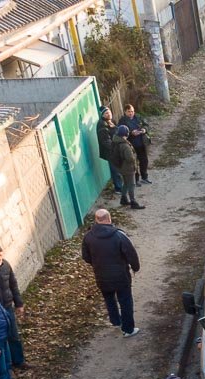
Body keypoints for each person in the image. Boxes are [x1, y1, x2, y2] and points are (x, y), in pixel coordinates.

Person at [81, 209, 141, 337]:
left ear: (96, 220)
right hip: (121, 276)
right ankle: (128, 329)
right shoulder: (119, 235)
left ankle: (116, 321)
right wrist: (135, 267)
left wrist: (97, 265)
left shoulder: (88, 237)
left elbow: (86, 257)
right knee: (125, 301)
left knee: (109, 299)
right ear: (109, 219)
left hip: (101, 276)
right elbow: (131, 254)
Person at [0, 242, 28, 371]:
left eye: (1, 255)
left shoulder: (5, 265)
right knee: (1, 339)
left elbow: (13, 285)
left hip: (8, 307)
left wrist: (19, 304)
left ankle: (19, 361)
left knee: (13, 335)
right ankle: (6, 366)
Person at [110, 124, 144, 210]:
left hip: (121, 167)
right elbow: (129, 158)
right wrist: (134, 159)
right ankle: (133, 202)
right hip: (128, 168)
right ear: (126, 134)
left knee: (125, 183)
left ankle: (124, 198)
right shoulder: (125, 145)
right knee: (131, 184)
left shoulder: (115, 141)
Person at [121, 104, 152, 185]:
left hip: (141, 143)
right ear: (125, 112)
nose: (131, 113)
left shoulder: (138, 117)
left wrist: (144, 129)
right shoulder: (122, 121)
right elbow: (121, 133)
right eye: (129, 112)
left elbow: (146, 125)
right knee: (134, 163)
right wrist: (131, 133)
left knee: (144, 161)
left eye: (132, 111)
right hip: (131, 145)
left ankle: (144, 177)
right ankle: (136, 180)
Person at [96, 106, 124, 195]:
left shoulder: (111, 121)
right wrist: (115, 148)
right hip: (111, 152)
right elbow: (105, 141)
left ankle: (121, 186)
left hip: (115, 149)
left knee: (119, 168)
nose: (109, 114)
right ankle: (118, 188)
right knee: (115, 170)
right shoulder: (102, 125)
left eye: (109, 112)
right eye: (106, 113)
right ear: (102, 115)